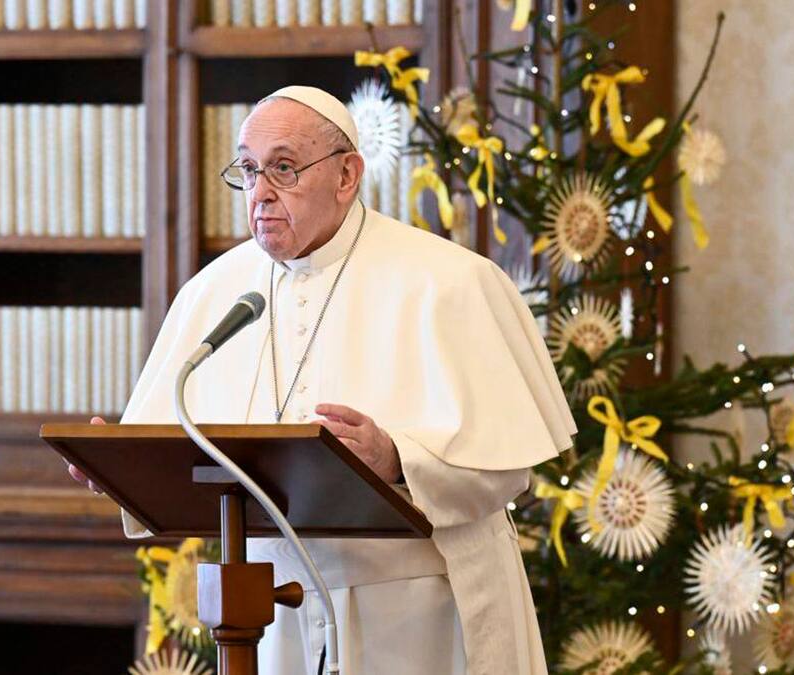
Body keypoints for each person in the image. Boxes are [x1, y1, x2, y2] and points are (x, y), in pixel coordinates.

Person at [67, 85, 576, 674]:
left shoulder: (449, 282)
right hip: (272, 617)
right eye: (249, 170)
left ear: (346, 175)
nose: (260, 192)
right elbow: (185, 453)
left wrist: (396, 458)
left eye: (283, 168)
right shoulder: (214, 291)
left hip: (420, 614)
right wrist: (121, 465)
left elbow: (506, 470)